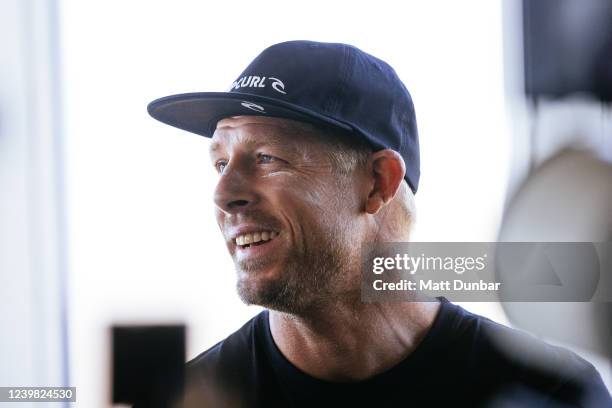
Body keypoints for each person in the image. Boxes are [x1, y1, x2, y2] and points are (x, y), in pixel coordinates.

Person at [147, 41, 611, 407]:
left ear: (378, 183)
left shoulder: (551, 393)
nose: (225, 194)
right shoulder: (188, 399)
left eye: (267, 157)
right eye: (220, 162)